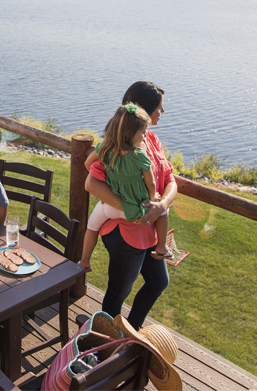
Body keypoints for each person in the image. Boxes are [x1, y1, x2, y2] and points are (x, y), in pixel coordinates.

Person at [79, 81, 177, 330]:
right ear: (142, 111)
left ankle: (129, 331)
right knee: (118, 293)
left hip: (150, 230)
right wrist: (132, 209)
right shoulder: (116, 147)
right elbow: (91, 181)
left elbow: (170, 180)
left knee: (158, 282)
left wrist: (161, 204)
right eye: (159, 108)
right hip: (126, 234)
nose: (162, 112)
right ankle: (103, 344)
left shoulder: (152, 140)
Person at [86, 103, 172, 260]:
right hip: (138, 207)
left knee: (91, 226)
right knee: (164, 210)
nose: (145, 136)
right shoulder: (139, 155)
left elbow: (87, 164)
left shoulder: (104, 148)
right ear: (128, 134)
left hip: (110, 207)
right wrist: (153, 199)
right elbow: (151, 183)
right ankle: (162, 246)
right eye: (143, 132)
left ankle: (84, 260)